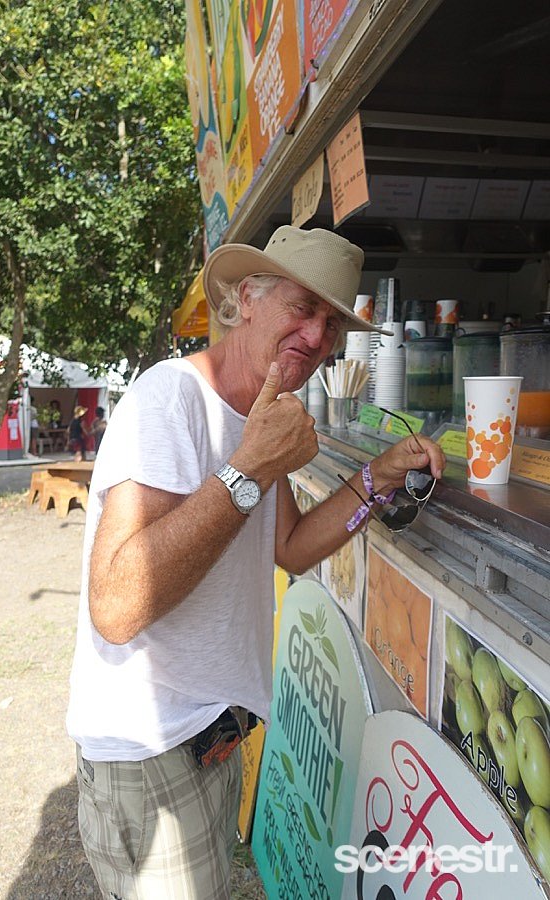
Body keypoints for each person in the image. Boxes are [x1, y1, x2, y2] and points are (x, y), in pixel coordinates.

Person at [67, 226, 446, 899]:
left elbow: (289, 546)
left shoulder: (257, 413)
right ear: (246, 298)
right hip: (151, 755)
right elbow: (117, 608)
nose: (317, 337)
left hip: (209, 742)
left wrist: (377, 479)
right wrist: (249, 469)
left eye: (333, 324)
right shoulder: (169, 400)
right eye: (302, 308)